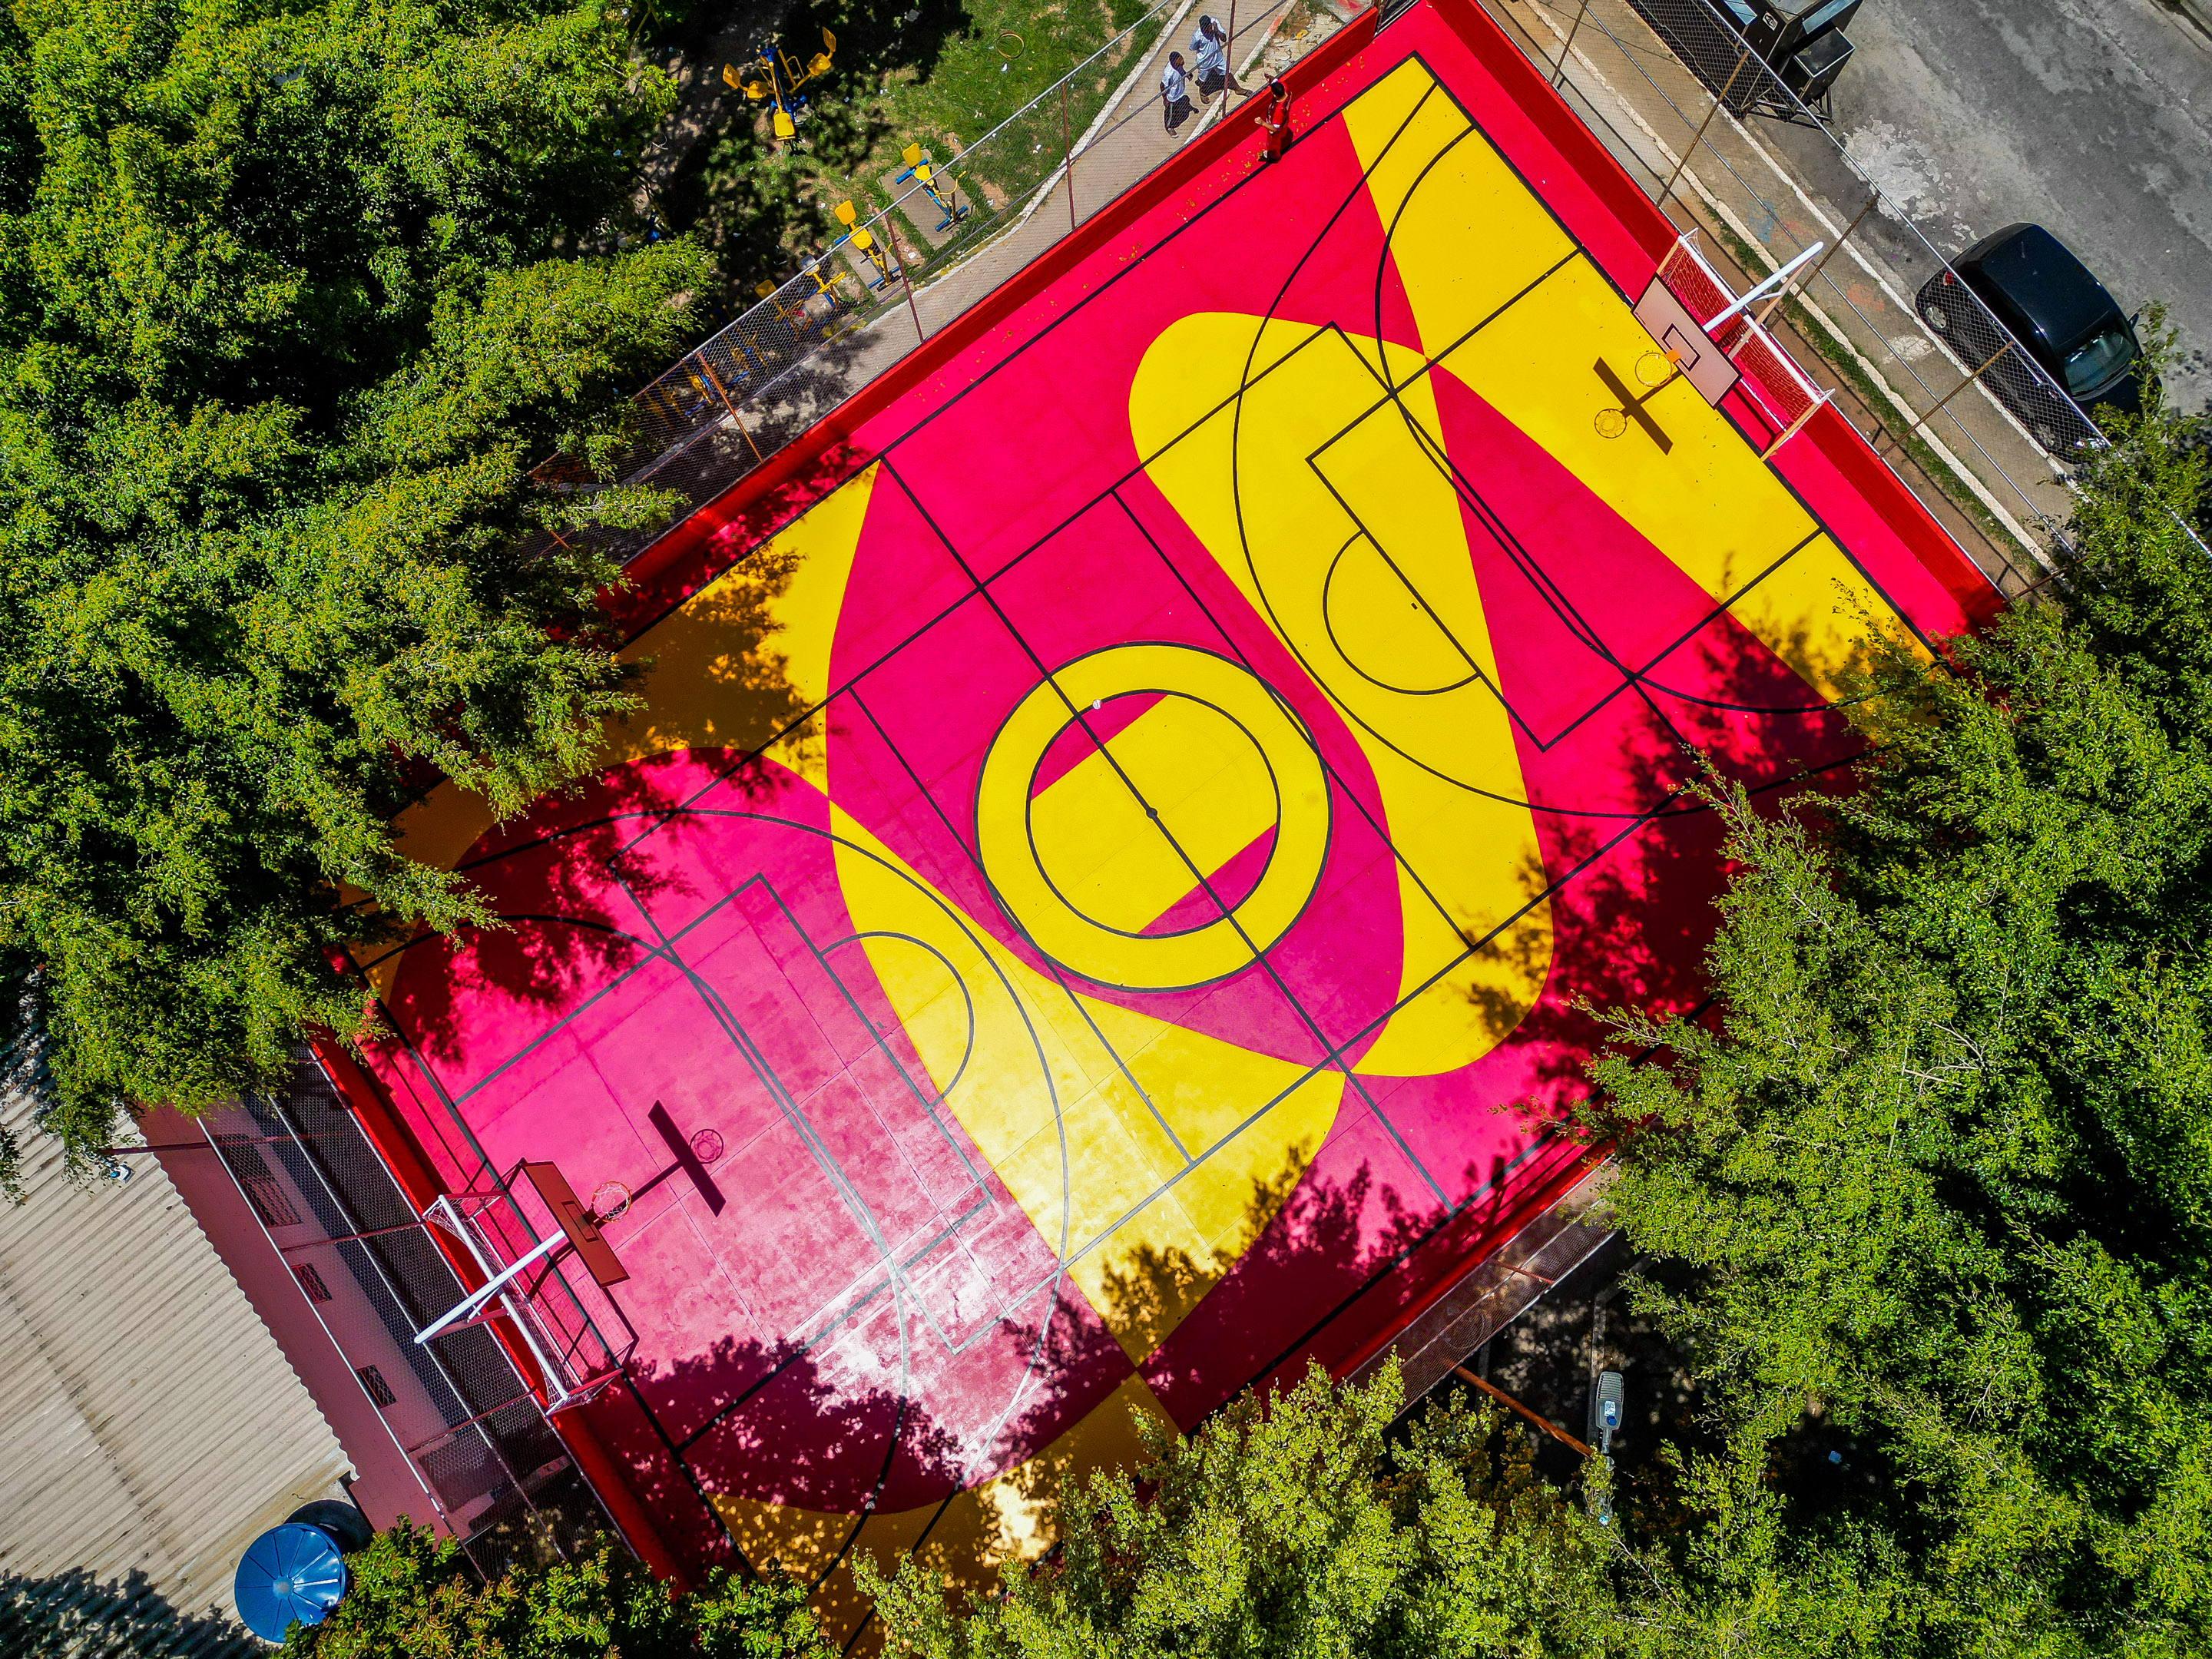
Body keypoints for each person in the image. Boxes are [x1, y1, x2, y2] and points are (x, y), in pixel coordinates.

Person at [1190, 15, 1247, 99]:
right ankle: (1202, 92)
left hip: (1218, 57)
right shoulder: (1197, 36)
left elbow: (1224, 39)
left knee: (1227, 72)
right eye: (1204, 30)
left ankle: (1238, 89)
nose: (1206, 31)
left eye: (1207, 29)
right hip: (1204, 61)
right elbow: (1193, 48)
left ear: (1210, 26)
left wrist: (1216, 31)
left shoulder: (1215, 23)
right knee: (1202, 80)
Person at [1254, 72, 1291, 162]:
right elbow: (1275, 81)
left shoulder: (1279, 112)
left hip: (1277, 128)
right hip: (1285, 122)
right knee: (1283, 133)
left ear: (1275, 95)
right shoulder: (1285, 88)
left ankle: (1275, 156)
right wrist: (1269, 78)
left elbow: (1275, 129)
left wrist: (1262, 123)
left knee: (1273, 145)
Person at [1161, 50, 1194, 134]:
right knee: (1170, 113)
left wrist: (1187, 75)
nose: (1182, 61)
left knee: (1180, 108)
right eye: (1180, 60)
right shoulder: (1168, 73)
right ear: (1175, 62)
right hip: (1172, 96)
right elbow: (1162, 86)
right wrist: (1165, 99)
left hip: (1179, 92)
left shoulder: (1178, 65)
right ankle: (1168, 127)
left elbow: (1181, 70)